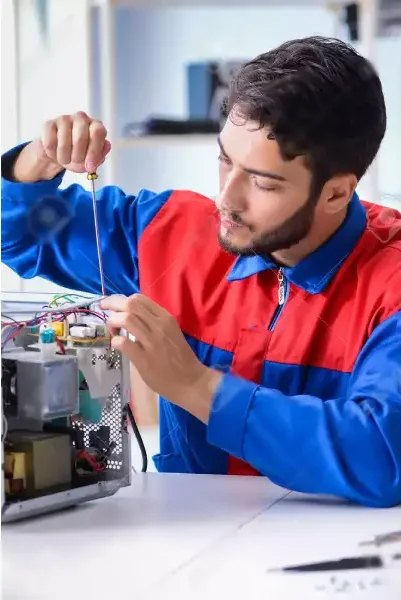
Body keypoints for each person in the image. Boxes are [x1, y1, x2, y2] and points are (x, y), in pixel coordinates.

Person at [2, 36, 401, 507]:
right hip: (184, 549)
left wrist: (194, 386)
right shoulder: (170, 231)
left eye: (262, 182)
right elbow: (22, 233)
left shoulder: (390, 281)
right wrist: (39, 160)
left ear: (336, 193)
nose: (226, 200)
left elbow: (380, 457)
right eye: (225, 161)